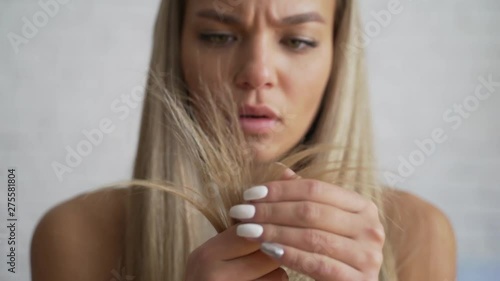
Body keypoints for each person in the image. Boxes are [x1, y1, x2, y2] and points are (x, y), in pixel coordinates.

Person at [31, 0, 456, 280]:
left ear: (337, 57)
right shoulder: (75, 236)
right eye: (218, 35)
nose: (257, 71)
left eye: (298, 40)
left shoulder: (419, 235)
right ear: (175, 47)